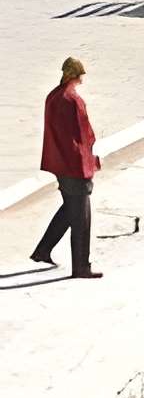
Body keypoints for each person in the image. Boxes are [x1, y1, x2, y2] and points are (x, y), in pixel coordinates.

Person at [30, 56, 103, 278]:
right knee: (82, 219)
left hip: (61, 165)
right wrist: (88, 167)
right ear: (78, 75)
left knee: (70, 210)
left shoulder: (54, 95)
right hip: (74, 167)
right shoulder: (73, 100)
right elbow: (82, 139)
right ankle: (81, 267)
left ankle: (43, 250)